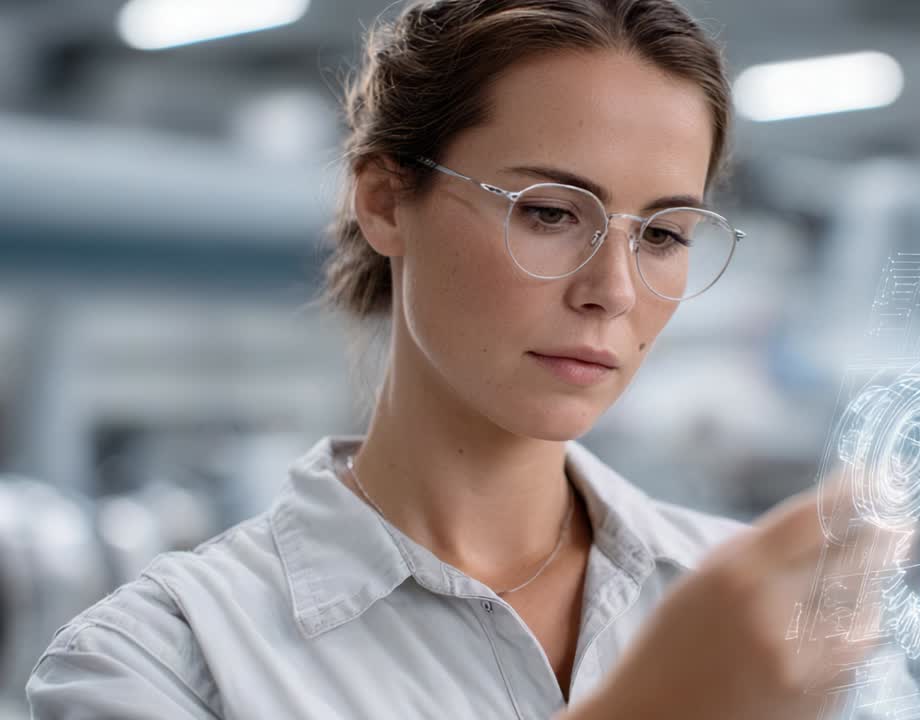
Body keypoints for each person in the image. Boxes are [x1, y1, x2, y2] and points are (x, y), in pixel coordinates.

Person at [26, 1, 850, 718]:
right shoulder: (165, 662)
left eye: (664, 235)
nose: (614, 290)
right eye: (551, 213)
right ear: (386, 201)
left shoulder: (749, 606)